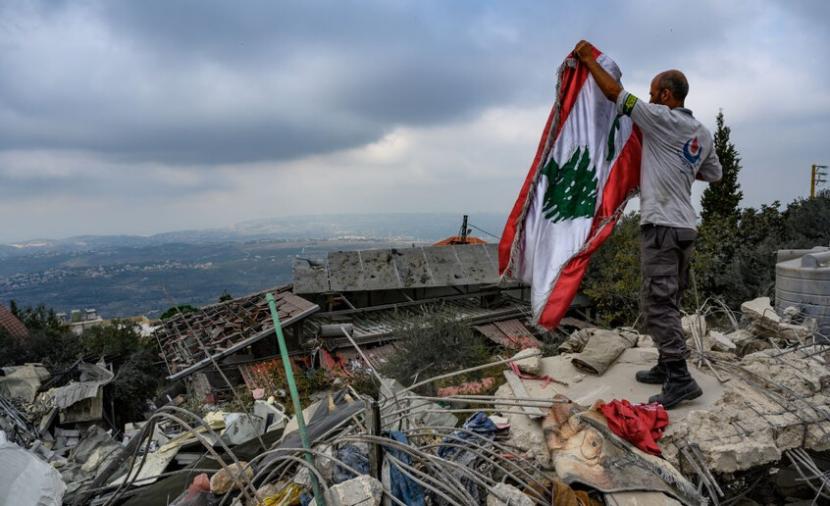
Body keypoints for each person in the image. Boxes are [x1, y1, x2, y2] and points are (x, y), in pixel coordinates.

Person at [573, 40, 722, 409]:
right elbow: (714, 173)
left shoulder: (662, 119)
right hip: (685, 226)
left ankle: (680, 379)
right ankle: (664, 363)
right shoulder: (701, 132)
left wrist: (589, 59)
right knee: (669, 299)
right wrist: (681, 166)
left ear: (667, 95)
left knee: (658, 304)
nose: (651, 99)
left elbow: (614, 93)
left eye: (655, 93)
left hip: (662, 227)